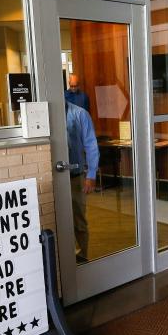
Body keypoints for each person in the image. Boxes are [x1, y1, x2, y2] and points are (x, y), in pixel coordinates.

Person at [66, 100, 99, 262]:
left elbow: (91, 145)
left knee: (78, 219)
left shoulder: (79, 114)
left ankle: (82, 255)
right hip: (52, 180)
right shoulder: (43, 113)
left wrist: (91, 175)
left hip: (75, 177)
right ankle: (65, 257)